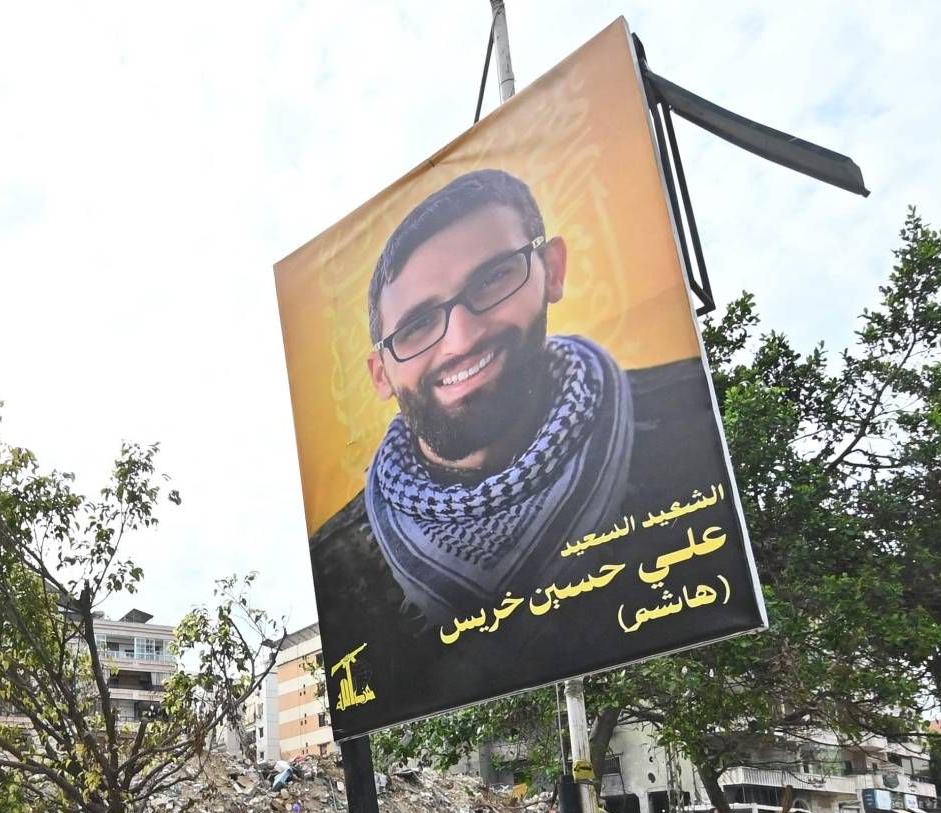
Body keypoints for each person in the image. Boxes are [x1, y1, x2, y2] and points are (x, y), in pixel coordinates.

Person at [306, 169, 749, 722]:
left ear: (552, 270)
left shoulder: (688, 417)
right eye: (417, 326)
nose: (461, 340)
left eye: (493, 279)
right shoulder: (338, 561)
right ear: (380, 374)